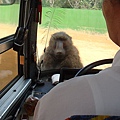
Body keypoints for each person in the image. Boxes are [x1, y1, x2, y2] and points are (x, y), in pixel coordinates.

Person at [33, 0, 120, 120]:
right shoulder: (46, 57)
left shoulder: (55, 101)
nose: (59, 49)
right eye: (56, 44)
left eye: (63, 44)